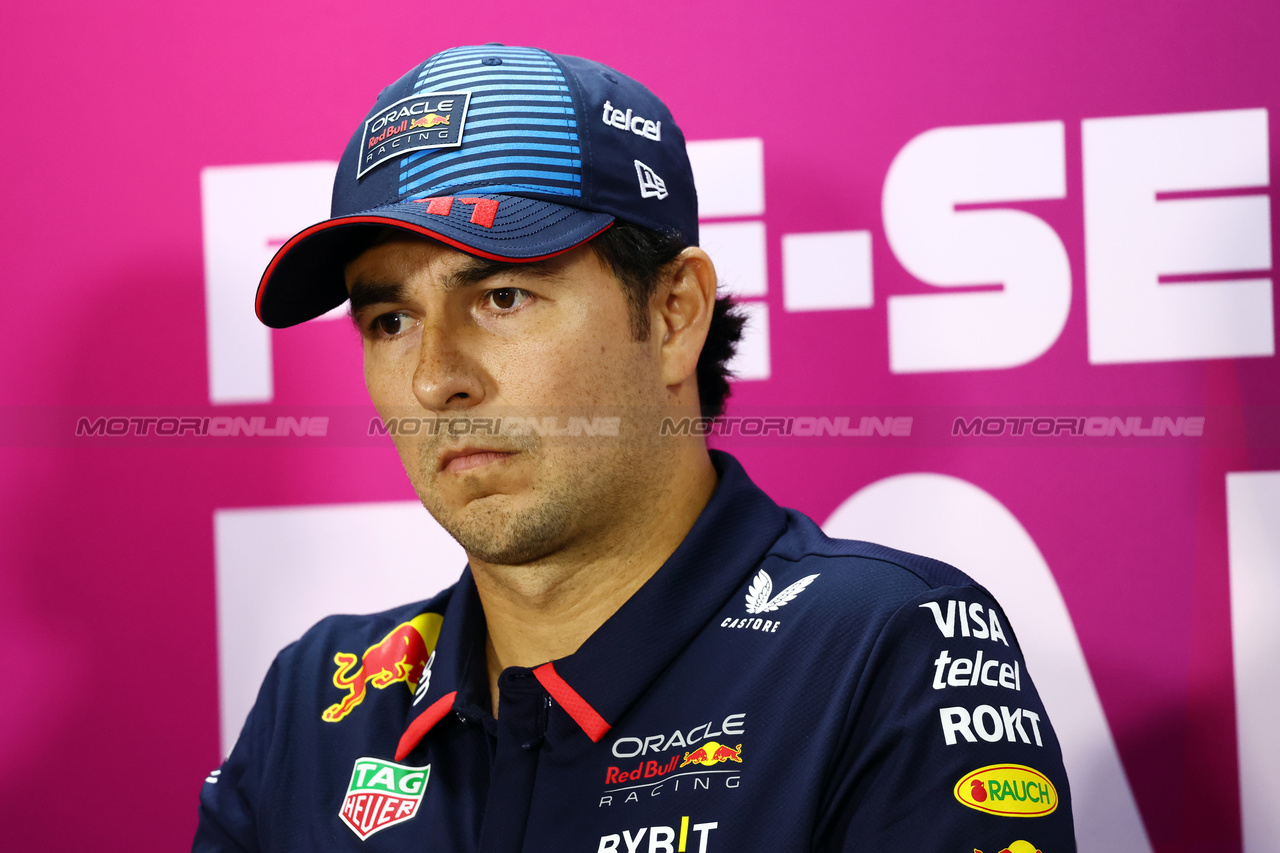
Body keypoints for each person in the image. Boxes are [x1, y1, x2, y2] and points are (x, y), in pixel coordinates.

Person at [195, 44, 1076, 852]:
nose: (435, 380)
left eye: (502, 296)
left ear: (672, 315)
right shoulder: (321, 701)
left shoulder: (883, 650)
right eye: (390, 319)